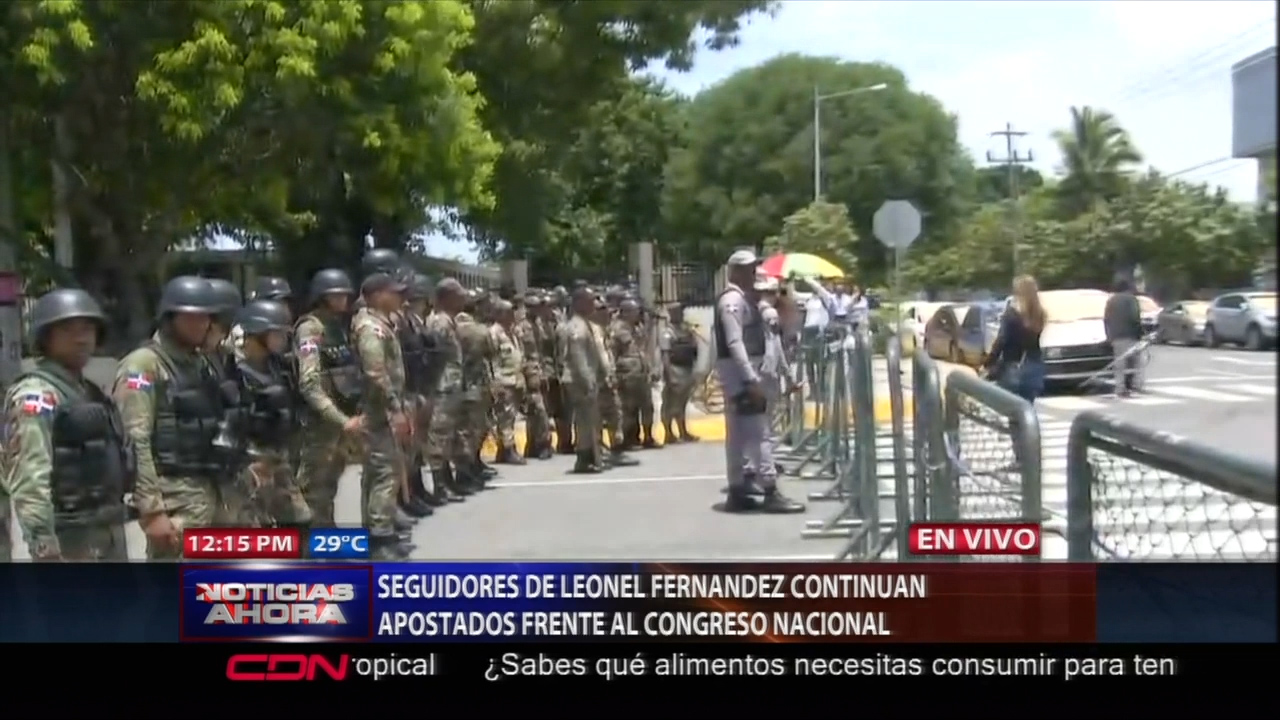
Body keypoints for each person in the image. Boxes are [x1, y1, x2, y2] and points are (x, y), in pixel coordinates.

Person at [2, 289, 134, 560]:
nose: (81, 338)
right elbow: (30, 476)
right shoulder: (36, 395)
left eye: (88, 329)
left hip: (104, 531)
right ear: (46, 337)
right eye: (68, 330)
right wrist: (43, 545)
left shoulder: (90, 391)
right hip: (68, 540)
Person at [114, 276, 228, 560]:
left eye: (205, 318)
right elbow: (135, 441)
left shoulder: (201, 363)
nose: (200, 324)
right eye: (190, 317)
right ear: (169, 318)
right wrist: (152, 511)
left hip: (212, 493)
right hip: (174, 499)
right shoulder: (144, 364)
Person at [714, 249, 804, 514]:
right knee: (759, 433)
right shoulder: (732, 301)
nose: (753, 274)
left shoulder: (743, 300)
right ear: (735, 271)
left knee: (739, 435)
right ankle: (770, 490)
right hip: (740, 376)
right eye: (748, 269)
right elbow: (734, 343)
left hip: (738, 374)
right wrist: (751, 379)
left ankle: (738, 489)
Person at [230, 299, 313, 530]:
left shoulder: (279, 367)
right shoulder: (235, 373)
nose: (283, 339)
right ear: (257, 335)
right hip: (252, 462)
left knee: (300, 520)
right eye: (276, 334)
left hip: (279, 456)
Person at [293, 269, 365, 527]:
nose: (344, 299)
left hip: (338, 420)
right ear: (322, 296)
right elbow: (309, 383)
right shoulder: (311, 328)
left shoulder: (336, 327)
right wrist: (340, 419)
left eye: (345, 294)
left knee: (329, 486)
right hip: (319, 424)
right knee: (313, 489)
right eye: (336, 294)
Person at [352, 272, 415, 559]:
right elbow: (375, 372)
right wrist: (394, 408)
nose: (400, 297)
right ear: (377, 295)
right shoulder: (370, 327)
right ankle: (379, 539)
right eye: (394, 292)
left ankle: (377, 533)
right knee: (384, 474)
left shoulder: (381, 324)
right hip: (378, 412)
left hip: (381, 410)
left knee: (379, 473)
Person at [422, 278, 474, 501]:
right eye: (458, 295)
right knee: (439, 436)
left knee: (448, 435)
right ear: (446, 297)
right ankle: (439, 485)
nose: (463, 299)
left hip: (451, 385)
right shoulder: (440, 322)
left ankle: (447, 480)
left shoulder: (448, 320)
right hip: (442, 387)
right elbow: (435, 357)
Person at [982, 274, 1048, 403]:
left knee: (1013, 411)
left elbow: (1002, 340)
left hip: (1014, 367)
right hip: (1034, 367)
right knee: (1027, 408)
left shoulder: (1011, 314)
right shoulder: (1040, 314)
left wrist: (988, 362)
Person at [561, 287, 605, 473]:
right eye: (589, 300)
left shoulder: (585, 324)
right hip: (579, 380)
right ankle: (584, 458)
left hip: (584, 378)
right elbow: (578, 357)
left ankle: (589, 457)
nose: (593, 304)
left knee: (589, 420)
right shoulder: (577, 327)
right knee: (585, 420)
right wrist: (588, 381)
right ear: (578, 303)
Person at [611, 298, 658, 449]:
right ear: (626, 312)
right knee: (629, 408)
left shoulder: (636, 328)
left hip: (641, 372)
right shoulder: (617, 329)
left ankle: (648, 436)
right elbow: (613, 353)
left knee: (646, 406)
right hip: (627, 374)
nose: (638, 314)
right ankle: (630, 439)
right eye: (635, 311)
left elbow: (643, 347)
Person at [515, 293, 553, 459]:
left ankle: (533, 445)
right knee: (538, 409)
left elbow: (542, 350)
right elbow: (521, 352)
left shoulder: (539, 324)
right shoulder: (521, 327)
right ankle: (543, 443)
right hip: (528, 372)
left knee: (537, 409)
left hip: (540, 371)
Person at [658, 303, 700, 443]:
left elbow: (694, 348)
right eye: (676, 312)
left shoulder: (685, 330)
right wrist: (668, 373)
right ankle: (668, 433)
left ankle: (683, 432)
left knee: (682, 403)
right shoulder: (667, 332)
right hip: (675, 369)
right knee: (670, 404)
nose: (680, 315)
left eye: (681, 312)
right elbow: (665, 355)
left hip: (686, 369)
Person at [1105, 277, 1145, 398]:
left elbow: (1106, 319)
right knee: (1135, 362)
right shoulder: (1131, 299)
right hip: (1130, 334)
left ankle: (1120, 387)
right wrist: (1140, 332)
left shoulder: (1111, 300)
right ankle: (1135, 385)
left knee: (1119, 363)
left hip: (1116, 336)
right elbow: (1135, 317)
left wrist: (1109, 335)